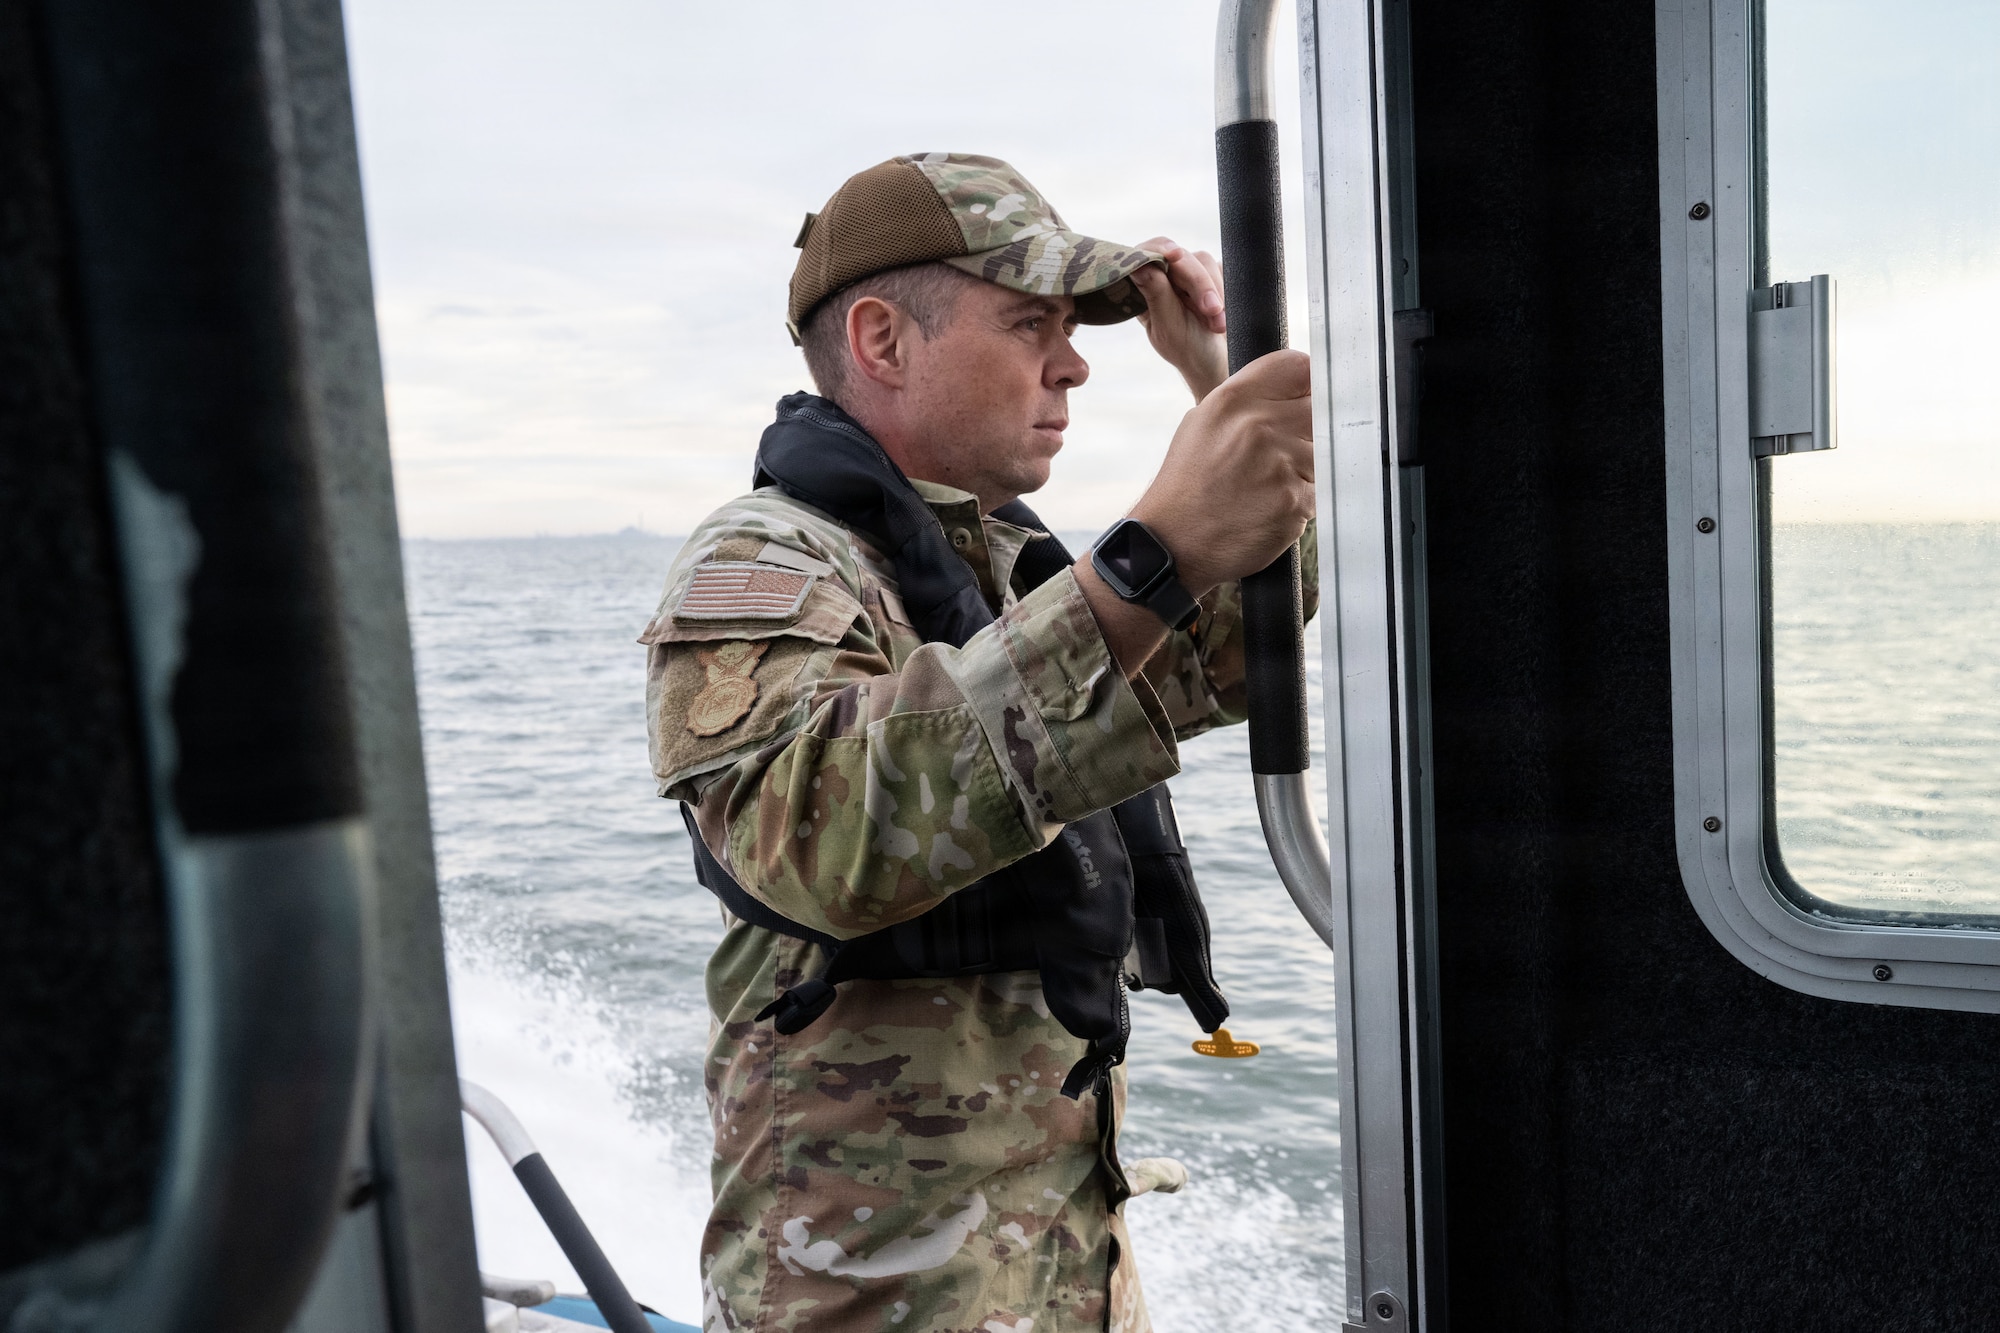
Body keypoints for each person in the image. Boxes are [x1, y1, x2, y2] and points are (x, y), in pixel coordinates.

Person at [642, 152, 1313, 1333]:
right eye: (1028, 323)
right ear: (882, 340)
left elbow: (1249, 650)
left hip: (1057, 1262)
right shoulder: (763, 562)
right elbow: (825, 834)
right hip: (870, 1290)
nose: (1072, 362)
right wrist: (1142, 558)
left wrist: (1222, 390)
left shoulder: (1001, 569)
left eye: (1070, 326)